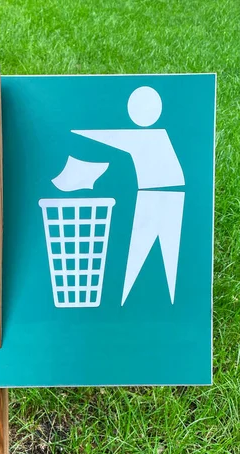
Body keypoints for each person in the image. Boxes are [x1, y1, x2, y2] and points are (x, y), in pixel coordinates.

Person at [73, 86, 185, 305]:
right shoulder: (157, 136)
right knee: (146, 255)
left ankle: (165, 306)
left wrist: (81, 132)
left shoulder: (152, 137)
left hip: (160, 195)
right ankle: (132, 303)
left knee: (153, 254)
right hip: (161, 193)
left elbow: (117, 138)